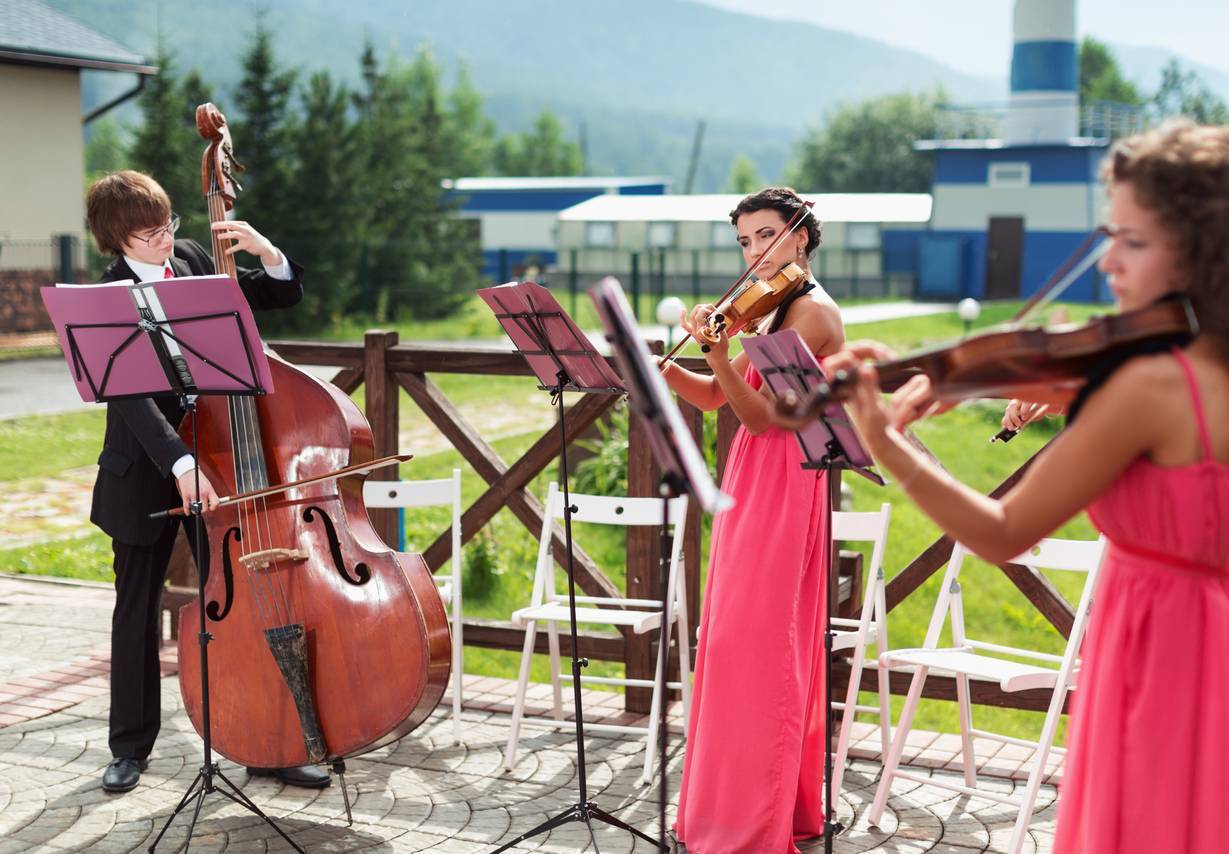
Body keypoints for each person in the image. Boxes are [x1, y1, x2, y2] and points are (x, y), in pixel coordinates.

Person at [823, 120, 1229, 853]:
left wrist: (885, 439)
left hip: (1157, 655)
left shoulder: (1145, 386)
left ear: (1202, 251)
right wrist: (999, 383)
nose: (1107, 261)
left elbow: (1002, 532)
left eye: (1133, 241)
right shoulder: (1195, 379)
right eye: (1109, 233)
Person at [85, 170, 329, 794]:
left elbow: (268, 297)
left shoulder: (192, 257)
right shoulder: (107, 296)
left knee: (246, 602)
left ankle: (264, 743)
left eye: (169, 225)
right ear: (118, 241)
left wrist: (268, 254)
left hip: (221, 457)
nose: (166, 239)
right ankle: (130, 748)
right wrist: (179, 463)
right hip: (145, 468)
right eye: (149, 234)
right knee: (135, 611)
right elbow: (130, 397)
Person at [658, 187, 844, 852]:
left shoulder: (812, 315)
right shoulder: (765, 313)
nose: (754, 253)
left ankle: (753, 817)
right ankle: (744, 805)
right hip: (752, 481)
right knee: (736, 644)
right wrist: (655, 373)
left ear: (799, 237)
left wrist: (713, 350)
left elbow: (764, 416)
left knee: (759, 649)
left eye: (765, 236)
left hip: (787, 481)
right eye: (743, 241)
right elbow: (714, 397)